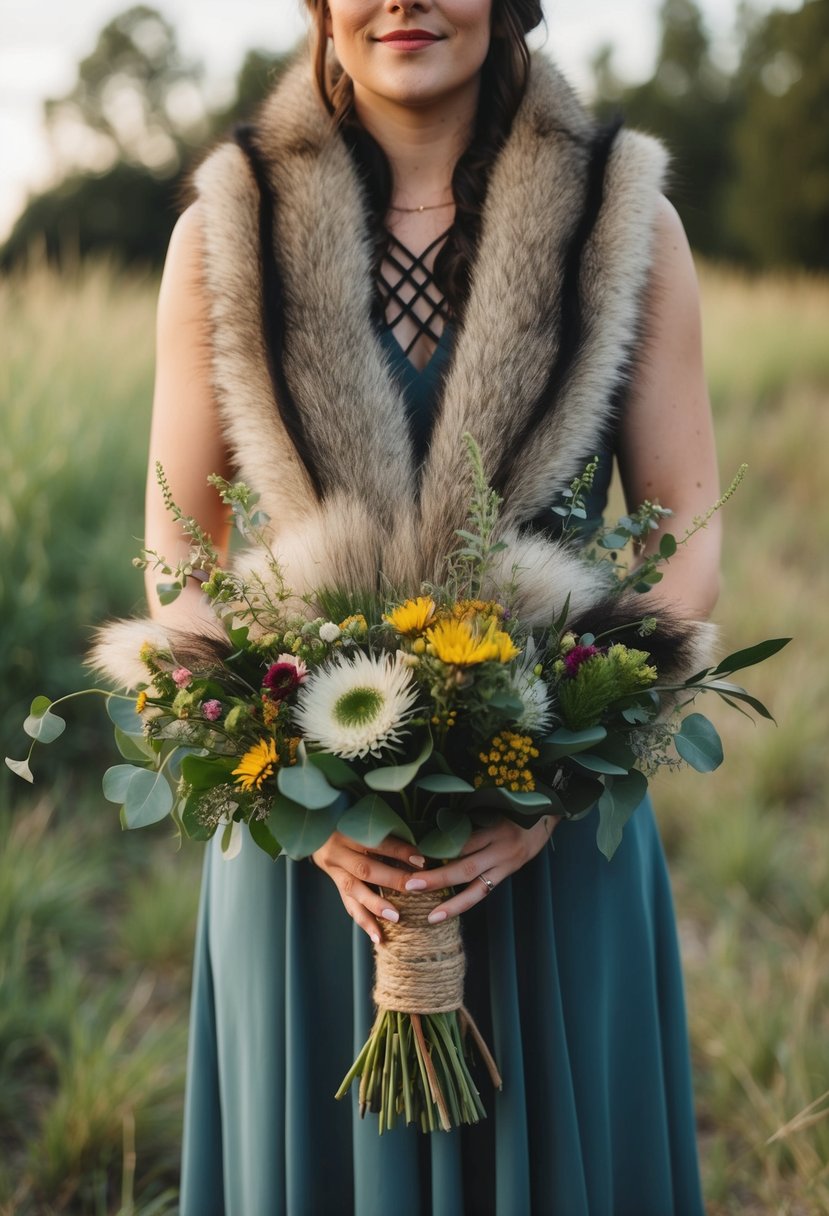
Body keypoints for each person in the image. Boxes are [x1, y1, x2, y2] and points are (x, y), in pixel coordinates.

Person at [143, 1, 721, 1211]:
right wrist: (289, 790)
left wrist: (554, 781)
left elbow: (687, 537)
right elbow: (180, 556)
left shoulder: (626, 223)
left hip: (544, 848)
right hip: (313, 861)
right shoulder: (223, 234)